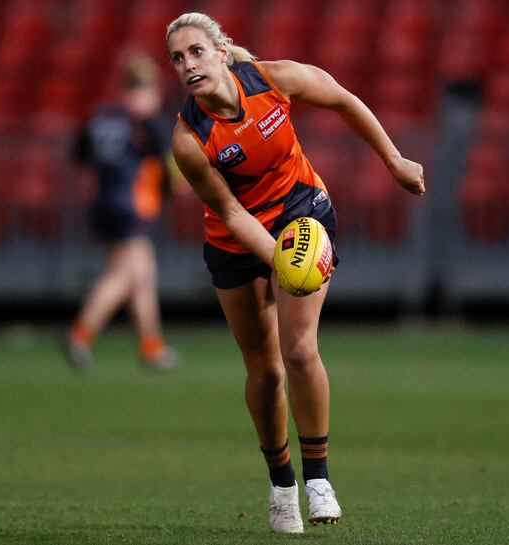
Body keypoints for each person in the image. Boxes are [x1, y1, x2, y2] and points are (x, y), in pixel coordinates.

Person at [166, 12, 425, 534]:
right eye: (177, 58)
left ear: (221, 52)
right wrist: (279, 258)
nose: (188, 65)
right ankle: (281, 484)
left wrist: (394, 160)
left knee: (300, 349)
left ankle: (318, 479)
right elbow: (232, 213)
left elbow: (344, 99)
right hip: (236, 239)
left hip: (301, 213)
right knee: (264, 371)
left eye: (196, 51)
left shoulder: (274, 78)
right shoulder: (189, 140)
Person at [63, 50, 179, 373]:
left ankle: (151, 346)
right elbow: (168, 158)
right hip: (132, 203)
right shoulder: (146, 118)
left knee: (142, 274)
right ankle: (80, 334)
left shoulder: (102, 116)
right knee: (123, 275)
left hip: (104, 200)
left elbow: (79, 154)